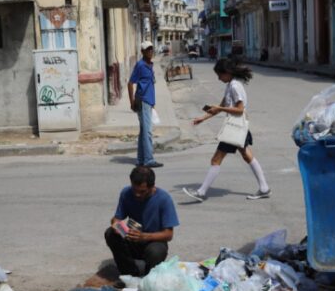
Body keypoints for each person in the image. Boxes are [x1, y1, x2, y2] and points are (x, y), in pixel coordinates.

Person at [182, 58, 271, 202]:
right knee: (247, 156)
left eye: (220, 75)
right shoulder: (230, 85)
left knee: (216, 159)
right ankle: (264, 188)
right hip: (238, 127)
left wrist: (220, 108)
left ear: (227, 73)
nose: (218, 78)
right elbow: (220, 107)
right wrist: (203, 118)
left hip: (235, 127)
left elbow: (239, 109)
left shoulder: (235, 86)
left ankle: (201, 191)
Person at [105, 166, 179, 277]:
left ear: (152, 186)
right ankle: (129, 273)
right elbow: (116, 219)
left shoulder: (164, 199)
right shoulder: (126, 193)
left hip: (153, 241)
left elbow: (168, 234)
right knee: (110, 233)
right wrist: (119, 228)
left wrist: (144, 236)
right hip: (133, 239)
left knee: (156, 251)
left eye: (142, 191)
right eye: (134, 190)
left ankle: (149, 276)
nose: (137, 194)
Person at [128, 41, 162, 168]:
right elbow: (130, 83)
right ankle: (148, 160)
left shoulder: (150, 65)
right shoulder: (140, 65)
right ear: (142, 52)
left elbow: (149, 85)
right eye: (148, 50)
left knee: (143, 131)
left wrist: (153, 103)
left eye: (151, 50)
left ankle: (141, 159)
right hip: (142, 101)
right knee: (147, 132)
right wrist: (132, 102)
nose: (150, 52)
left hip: (148, 101)